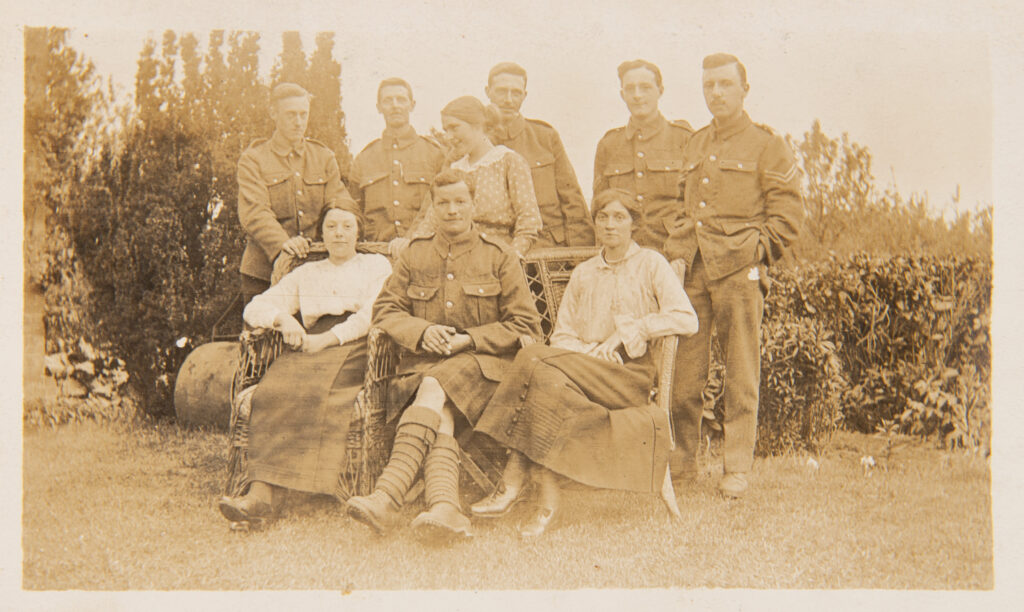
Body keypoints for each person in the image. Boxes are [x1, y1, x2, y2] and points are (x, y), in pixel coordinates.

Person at [471, 188, 699, 538]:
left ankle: (511, 481)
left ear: (634, 224)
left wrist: (627, 333)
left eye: (619, 217)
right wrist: (590, 355)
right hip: (581, 371)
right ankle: (546, 507)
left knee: (531, 357)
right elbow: (562, 337)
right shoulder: (584, 274)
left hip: (629, 376)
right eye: (602, 217)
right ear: (594, 223)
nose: (610, 225)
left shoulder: (651, 264)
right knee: (545, 383)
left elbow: (686, 319)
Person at [345, 170, 543, 541]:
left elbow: (526, 325)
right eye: (443, 203)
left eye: (459, 202)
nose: (452, 210)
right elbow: (386, 311)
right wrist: (423, 332)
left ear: (473, 205)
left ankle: (388, 495)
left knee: (437, 386)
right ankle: (446, 508)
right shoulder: (415, 254)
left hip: (486, 373)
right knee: (439, 403)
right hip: (422, 371)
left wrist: (469, 340)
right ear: (433, 207)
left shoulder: (498, 256)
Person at [663, 53, 803, 498]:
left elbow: (788, 215)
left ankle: (736, 468)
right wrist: (678, 246)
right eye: (709, 86)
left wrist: (756, 252)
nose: (716, 93)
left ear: (745, 88)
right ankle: (682, 466)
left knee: (742, 371)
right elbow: (679, 206)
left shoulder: (767, 145)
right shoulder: (695, 143)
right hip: (694, 272)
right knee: (685, 376)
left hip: (740, 271)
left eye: (725, 84)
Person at [218, 203, 392, 525]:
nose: (339, 233)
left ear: (358, 231)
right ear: (321, 234)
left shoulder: (376, 266)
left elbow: (372, 315)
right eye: (331, 227)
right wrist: (284, 319)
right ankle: (261, 494)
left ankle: (287, 487)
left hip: (354, 345)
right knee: (273, 389)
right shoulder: (307, 272)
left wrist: (326, 340)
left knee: (314, 390)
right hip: (307, 343)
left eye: (347, 226)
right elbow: (256, 307)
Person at [237, 82, 357, 306]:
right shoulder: (253, 159)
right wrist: (285, 244)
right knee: (261, 338)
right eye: (291, 115)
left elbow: (340, 206)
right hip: (263, 272)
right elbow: (255, 212)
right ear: (274, 113)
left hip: (316, 270)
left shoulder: (323, 157)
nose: (299, 122)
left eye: (303, 114)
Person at [406, 96, 543, 257]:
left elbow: (529, 221)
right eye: (446, 130)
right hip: (452, 257)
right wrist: (412, 249)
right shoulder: (454, 169)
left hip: (496, 259)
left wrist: (512, 257)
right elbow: (431, 222)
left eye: (454, 128)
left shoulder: (509, 161)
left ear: (478, 125)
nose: (449, 137)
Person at [484, 62, 594, 247]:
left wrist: (578, 254)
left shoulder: (545, 137)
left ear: (524, 96)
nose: (509, 100)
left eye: (516, 92)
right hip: (496, 250)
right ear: (488, 92)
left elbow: (572, 199)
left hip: (547, 247)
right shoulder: (475, 142)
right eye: (502, 91)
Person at [593, 59, 693, 251]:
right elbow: (600, 208)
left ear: (660, 91)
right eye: (630, 89)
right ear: (623, 95)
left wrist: (683, 256)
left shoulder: (684, 139)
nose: (637, 95)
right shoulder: (609, 144)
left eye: (645, 87)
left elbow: (695, 209)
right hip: (624, 253)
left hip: (671, 251)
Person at [349, 78, 444, 250]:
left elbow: (442, 205)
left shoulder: (435, 154)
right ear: (378, 107)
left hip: (425, 249)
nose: (395, 105)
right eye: (388, 100)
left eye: (401, 99)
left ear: (412, 105)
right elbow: (354, 211)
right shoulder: (364, 158)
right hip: (377, 252)